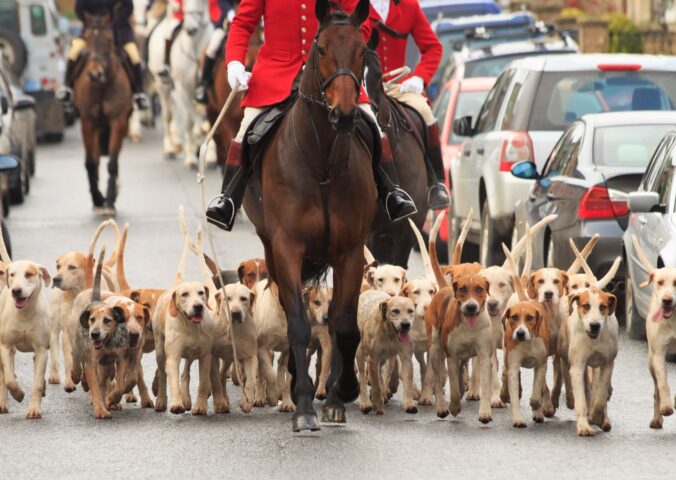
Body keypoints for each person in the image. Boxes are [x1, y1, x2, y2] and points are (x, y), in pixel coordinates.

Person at [206, 0, 417, 232]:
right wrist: (234, 62)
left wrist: (346, 46)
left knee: (372, 123)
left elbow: (362, 19)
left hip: (332, 70)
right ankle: (229, 199)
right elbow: (242, 23)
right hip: (276, 71)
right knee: (246, 129)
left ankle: (391, 192)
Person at [369, 0, 450, 209]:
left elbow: (432, 47)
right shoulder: (351, 5)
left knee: (425, 112)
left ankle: (436, 182)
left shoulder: (408, 6)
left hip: (398, 85)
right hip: (364, 85)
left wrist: (419, 78)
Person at [58, 0, 149, 110]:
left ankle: (139, 93)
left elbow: (128, 7)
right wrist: (90, 21)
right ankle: (68, 88)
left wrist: (114, 21)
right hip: (92, 30)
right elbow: (79, 8)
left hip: (120, 32)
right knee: (74, 52)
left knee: (134, 55)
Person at [157, 0, 230, 82]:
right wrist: (174, 2)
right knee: (169, 32)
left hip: (205, 14)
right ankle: (166, 63)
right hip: (182, 13)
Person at [195, 0, 236, 104]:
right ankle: (204, 85)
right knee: (212, 47)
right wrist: (230, 12)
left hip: (251, 21)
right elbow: (223, 2)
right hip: (227, 23)